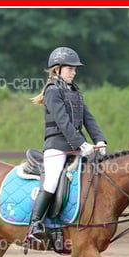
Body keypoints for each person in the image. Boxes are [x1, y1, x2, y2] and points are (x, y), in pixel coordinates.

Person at [28, 47, 107, 242]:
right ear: (57, 69)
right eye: (70, 68)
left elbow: (88, 119)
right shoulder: (52, 91)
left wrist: (100, 140)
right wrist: (82, 144)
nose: (74, 72)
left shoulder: (75, 91)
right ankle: (35, 224)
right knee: (52, 180)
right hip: (56, 146)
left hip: (75, 148)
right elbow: (63, 122)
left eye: (75, 69)